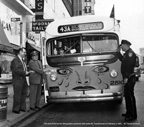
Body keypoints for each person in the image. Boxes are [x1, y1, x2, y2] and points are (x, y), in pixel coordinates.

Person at [117, 40, 137, 121]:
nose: (121, 48)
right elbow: (122, 59)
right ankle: (129, 112)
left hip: (129, 78)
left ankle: (132, 115)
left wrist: (126, 77)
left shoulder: (130, 54)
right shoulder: (126, 54)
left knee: (130, 97)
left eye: (122, 46)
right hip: (127, 77)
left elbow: (129, 67)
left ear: (125, 45)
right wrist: (118, 52)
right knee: (127, 97)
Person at [11, 48, 33, 114]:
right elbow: (16, 70)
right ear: (20, 52)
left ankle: (22, 107)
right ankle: (16, 109)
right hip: (17, 80)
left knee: (23, 94)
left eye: (25, 52)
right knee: (17, 95)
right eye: (24, 52)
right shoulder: (15, 60)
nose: (25, 54)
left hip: (23, 79)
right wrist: (25, 73)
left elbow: (23, 69)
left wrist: (28, 72)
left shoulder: (22, 61)